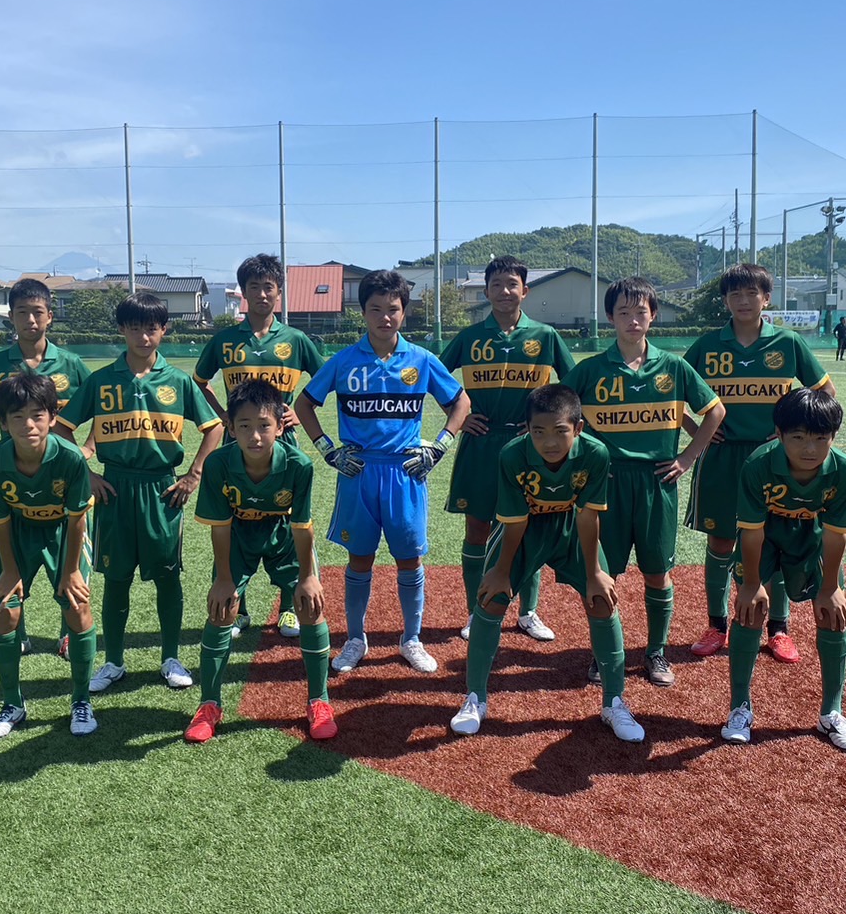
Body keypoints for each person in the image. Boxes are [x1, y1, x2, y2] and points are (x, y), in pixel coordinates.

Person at [295, 269, 472, 674]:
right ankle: (356, 638)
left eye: (392, 309)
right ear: (363, 313)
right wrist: (327, 450)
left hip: (405, 472)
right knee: (360, 559)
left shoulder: (421, 359)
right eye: (375, 309)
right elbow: (304, 404)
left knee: (409, 559)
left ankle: (411, 639)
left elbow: (460, 402)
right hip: (359, 472)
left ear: (404, 312)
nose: (384, 317)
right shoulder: (344, 361)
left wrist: (440, 445)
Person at [450, 384, 644, 743]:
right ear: (527, 429)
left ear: (578, 428)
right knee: (490, 600)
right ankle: (475, 698)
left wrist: (594, 573)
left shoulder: (596, 453)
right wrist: (501, 572)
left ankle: (614, 702)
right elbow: (515, 520)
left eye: (560, 431)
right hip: (525, 529)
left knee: (602, 600)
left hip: (571, 526)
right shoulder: (512, 454)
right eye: (538, 432)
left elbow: (588, 516)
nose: (549, 442)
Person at [57, 292, 225, 694]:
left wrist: (193, 474)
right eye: (135, 328)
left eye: (151, 328)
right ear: (122, 330)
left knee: (167, 577)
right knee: (116, 578)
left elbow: (215, 427)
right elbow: (62, 429)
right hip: (115, 488)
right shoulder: (101, 380)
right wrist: (88, 474)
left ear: (164, 330)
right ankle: (114, 661)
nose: (143, 336)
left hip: (161, 490)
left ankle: (171, 657)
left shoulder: (178, 381)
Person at [563, 277, 725, 688]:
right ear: (610, 317)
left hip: (657, 483)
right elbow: (560, 414)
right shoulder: (591, 370)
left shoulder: (673, 366)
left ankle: (656, 651)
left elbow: (715, 411)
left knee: (657, 573)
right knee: (603, 573)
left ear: (653, 316)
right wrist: (582, 461)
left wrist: (688, 457)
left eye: (641, 312)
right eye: (623, 312)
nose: (632, 320)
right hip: (607, 484)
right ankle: (605, 652)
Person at [684, 264, 835, 665]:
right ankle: (717, 625)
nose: (743, 301)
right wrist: (696, 430)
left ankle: (779, 628)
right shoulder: (707, 345)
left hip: (773, 459)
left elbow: (826, 394)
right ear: (724, 301)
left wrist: (790, 433)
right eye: (735, 294)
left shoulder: (787, 343)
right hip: (722, 457)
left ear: (767, 299)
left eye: (752, 293)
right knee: (721, 542)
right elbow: (671, 391)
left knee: (775, 540)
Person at [186, 379, 335, 743]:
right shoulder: (218, 464)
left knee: (310, 606)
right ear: (231, 428)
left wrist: (307, 576)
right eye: (244, 426)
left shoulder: (299, 465)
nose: (255, 436)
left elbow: (302, 526)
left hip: (284, 535)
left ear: (280, 426)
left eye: (264, 425)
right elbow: (220, 526)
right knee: (221, 609)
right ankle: (209, 704)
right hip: (238, 536)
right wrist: (224, 579)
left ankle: (319, 701)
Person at [438, 255, 575, 644]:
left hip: (528, 447)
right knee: (478, 528)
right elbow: (434, 377)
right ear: (486, 291)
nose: (504, 291)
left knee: (527, 528)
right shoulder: (470, 337)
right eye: (496, 284)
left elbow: (573, 385)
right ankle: (475, 610)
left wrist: (549, 426)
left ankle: (528, 612)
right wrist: (458, 417)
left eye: (512, 284)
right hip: (481, 444)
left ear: (525, 290)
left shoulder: (545, 336)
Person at [0, 277, 92, 658]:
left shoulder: (71, 364)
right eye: (22, 313)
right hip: (14, 474)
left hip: (62, 473)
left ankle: (69, 632)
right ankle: (18, 631)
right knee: (13, 555)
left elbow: (100, 404)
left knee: (70, 553)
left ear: (50, 317)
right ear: (11, 318)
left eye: (37, 312)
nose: (30, 320)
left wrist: (88, 447)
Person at [722, 388, 846, 752]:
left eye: (821, 438)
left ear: (833, 437)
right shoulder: (757, 465)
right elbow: (751, 531)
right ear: (779, 434)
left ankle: (831, 712)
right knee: (750, 609)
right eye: (798, 438)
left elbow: (835, 534)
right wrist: (751, 583)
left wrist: (830, 587)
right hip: (765, 536)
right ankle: (740, 707)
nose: (809, 449)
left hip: (811, 537)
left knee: (834, 614)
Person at [194, 254, 326, 641]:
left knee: (287, 519)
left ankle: (288, 608)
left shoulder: (295, 340)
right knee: (235, 519)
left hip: (282, 443)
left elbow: (326, 378)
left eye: (269, 287)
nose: (262, 294)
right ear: (243, 293)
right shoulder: (224, 340)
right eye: (254, 287)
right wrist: (225, 417)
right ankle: (239, 608)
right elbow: (199, 383)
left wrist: (301, 411)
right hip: (237, 444)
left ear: (279, 292)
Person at [0, 373, 97, 739]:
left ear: (52, 417)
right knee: (6, 611)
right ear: (3, 422)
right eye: (17, 416)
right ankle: (12, 704)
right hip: (18, 534)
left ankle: (81, 700)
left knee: (77, 607)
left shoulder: (71, 458)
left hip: (64, 534)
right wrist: (10, 571)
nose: (28, 424)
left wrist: (71, 571)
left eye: (37, 415)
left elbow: (77, 518)